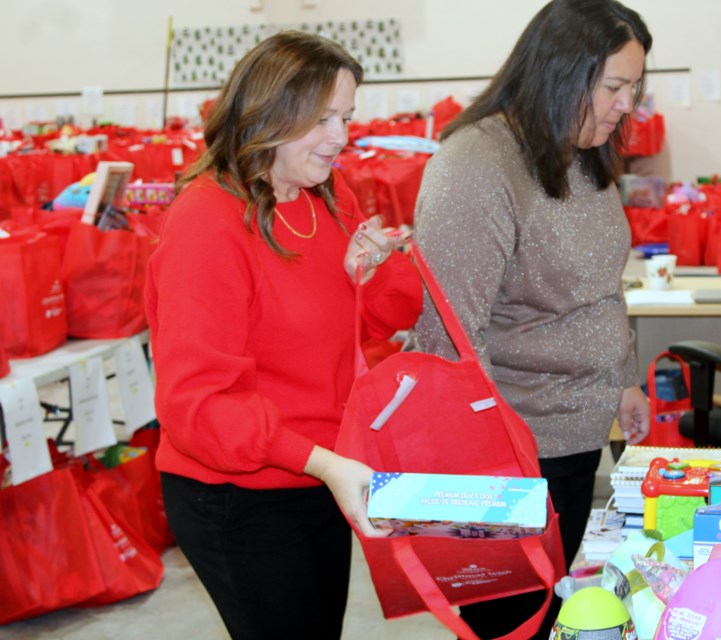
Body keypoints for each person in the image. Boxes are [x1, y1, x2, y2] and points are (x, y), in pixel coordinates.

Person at [144, 31, 422, 640]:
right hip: (240, 493)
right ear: (267, 113)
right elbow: (199, 404)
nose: (341, 138)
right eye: (321, 119)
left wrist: (373, 270)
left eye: (347, 117)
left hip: (323, 469)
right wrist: (322, 463)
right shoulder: (207, 224)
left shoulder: (327, 196)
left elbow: (376, 319)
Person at [410, 1, 652, 637]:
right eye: (615, 87)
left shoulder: (583, 151)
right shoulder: (476, 165)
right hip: (510, 460)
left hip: (574, 440)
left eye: (635, 88)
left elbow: (603, 284)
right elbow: (450, 336)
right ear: (562, 72)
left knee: (557, 617)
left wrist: (621, 376)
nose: (627, 105)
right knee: (513, 625)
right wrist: (499, 470)